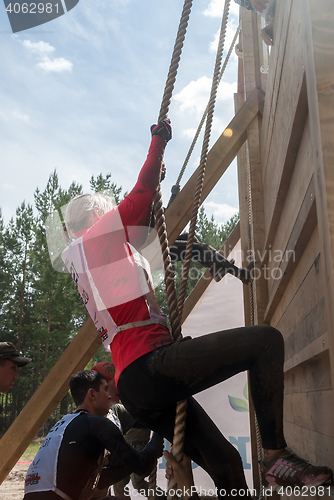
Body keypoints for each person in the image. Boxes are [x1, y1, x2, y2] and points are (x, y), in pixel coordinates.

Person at [61, 120, 332, 499]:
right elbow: (140, 195)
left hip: (136, 381)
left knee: (226, 464)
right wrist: (158, 143)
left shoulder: (88, 260)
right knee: (266, 342)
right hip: (149, 366)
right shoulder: (98, 237)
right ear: (93, 217)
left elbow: (150, 238)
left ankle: (257, 469)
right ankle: (274, 456)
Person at [23, 370, 163, 500]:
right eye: (105, 389)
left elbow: (102, 481)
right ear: (92, 394)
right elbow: (143, 467)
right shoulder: (98, 424)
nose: (109, 396)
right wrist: (160, 432)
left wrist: (144, 455)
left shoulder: (63, 424)